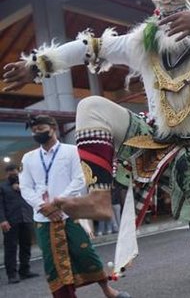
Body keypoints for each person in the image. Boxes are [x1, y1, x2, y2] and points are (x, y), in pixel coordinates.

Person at [2, 0, 190, 297]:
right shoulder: (141, 45)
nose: (172, 18)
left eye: (182, 11)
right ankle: (99, 197)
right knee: (91, 105)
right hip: (152, 141)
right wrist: (37, 65)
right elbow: (91, 47)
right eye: (166, 11)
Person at [18, 115, 128, 298]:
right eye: (34, 131)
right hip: (43, 218)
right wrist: (42, 206)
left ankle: (108, 291)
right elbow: (25, 187)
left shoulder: (71, 151)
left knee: (85, 253)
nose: (37, 133)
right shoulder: (28, 158)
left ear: (53, 128)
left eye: (41, 129)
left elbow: (79, 179)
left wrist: (59, 203)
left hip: (70, 213)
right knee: (53, 263)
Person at [1, 163, 39, 284]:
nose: (12, 173)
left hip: (26, 219)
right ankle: (12, 274)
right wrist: (2, 220)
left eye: (14, 170)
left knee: (26, 245)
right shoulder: (2, 187)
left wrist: (21, 188)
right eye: (10, 171)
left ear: (18, 171)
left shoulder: (25, 186)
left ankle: (25, 270)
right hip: (11, 221)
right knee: (11, 248)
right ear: (6, 174)